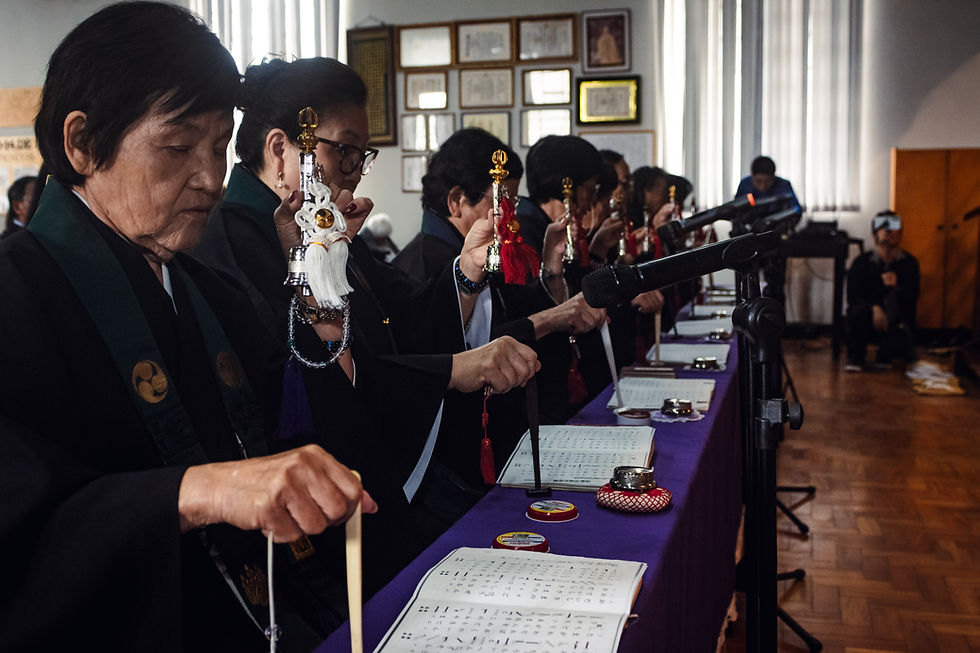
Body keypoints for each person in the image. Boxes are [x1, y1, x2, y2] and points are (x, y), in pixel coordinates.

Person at [0, 4, 379, 651]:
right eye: (178, 147)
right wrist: (197, 490)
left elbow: (302, 420)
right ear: (82, 143)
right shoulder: (15, 299)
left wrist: (319, 275)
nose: (209, 178)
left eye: (218, 147)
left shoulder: (209, 293)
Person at [193, 59, 539, 545]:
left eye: (362, 155)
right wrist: (449, 370)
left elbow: (404, 311)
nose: (355, 174)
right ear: (279, 149)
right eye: (344, 151)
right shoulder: (234, 242)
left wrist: (466, 271)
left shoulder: (324, 228)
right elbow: (306, 381)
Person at [393, 129, 605, 520]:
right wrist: (547, 318)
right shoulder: (421, 264)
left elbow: (514, 315)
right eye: (500, 202)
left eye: (512, 203)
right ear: (456, 200)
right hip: (450, 465)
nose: (509, 215)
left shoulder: (482, 253)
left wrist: (551, 268)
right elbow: (451, 357)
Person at [845, 210, 920, 371]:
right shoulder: (861, 263)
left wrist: (897, 287)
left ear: (900, 235)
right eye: (883, 227)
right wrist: (874, 307)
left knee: (902, 321)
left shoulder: (910, 263)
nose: (888, 231)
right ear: (874, 235)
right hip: (868, 317)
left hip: (896, 321)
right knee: (856, 313)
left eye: (892, 227)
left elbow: (913, 297)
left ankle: (887, 354)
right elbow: (853, 297)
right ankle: (856, 358)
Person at [734, 155, 800, 305]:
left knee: (775, 291)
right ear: (752, 177)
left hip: (774, 246)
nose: (763, 186)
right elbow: (735, 213)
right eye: (758, 181)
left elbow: (796, 211)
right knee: (747, 291)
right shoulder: (745, 185)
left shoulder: (784, 186)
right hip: (749, 244)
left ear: (774, 178)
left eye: (767, 182)